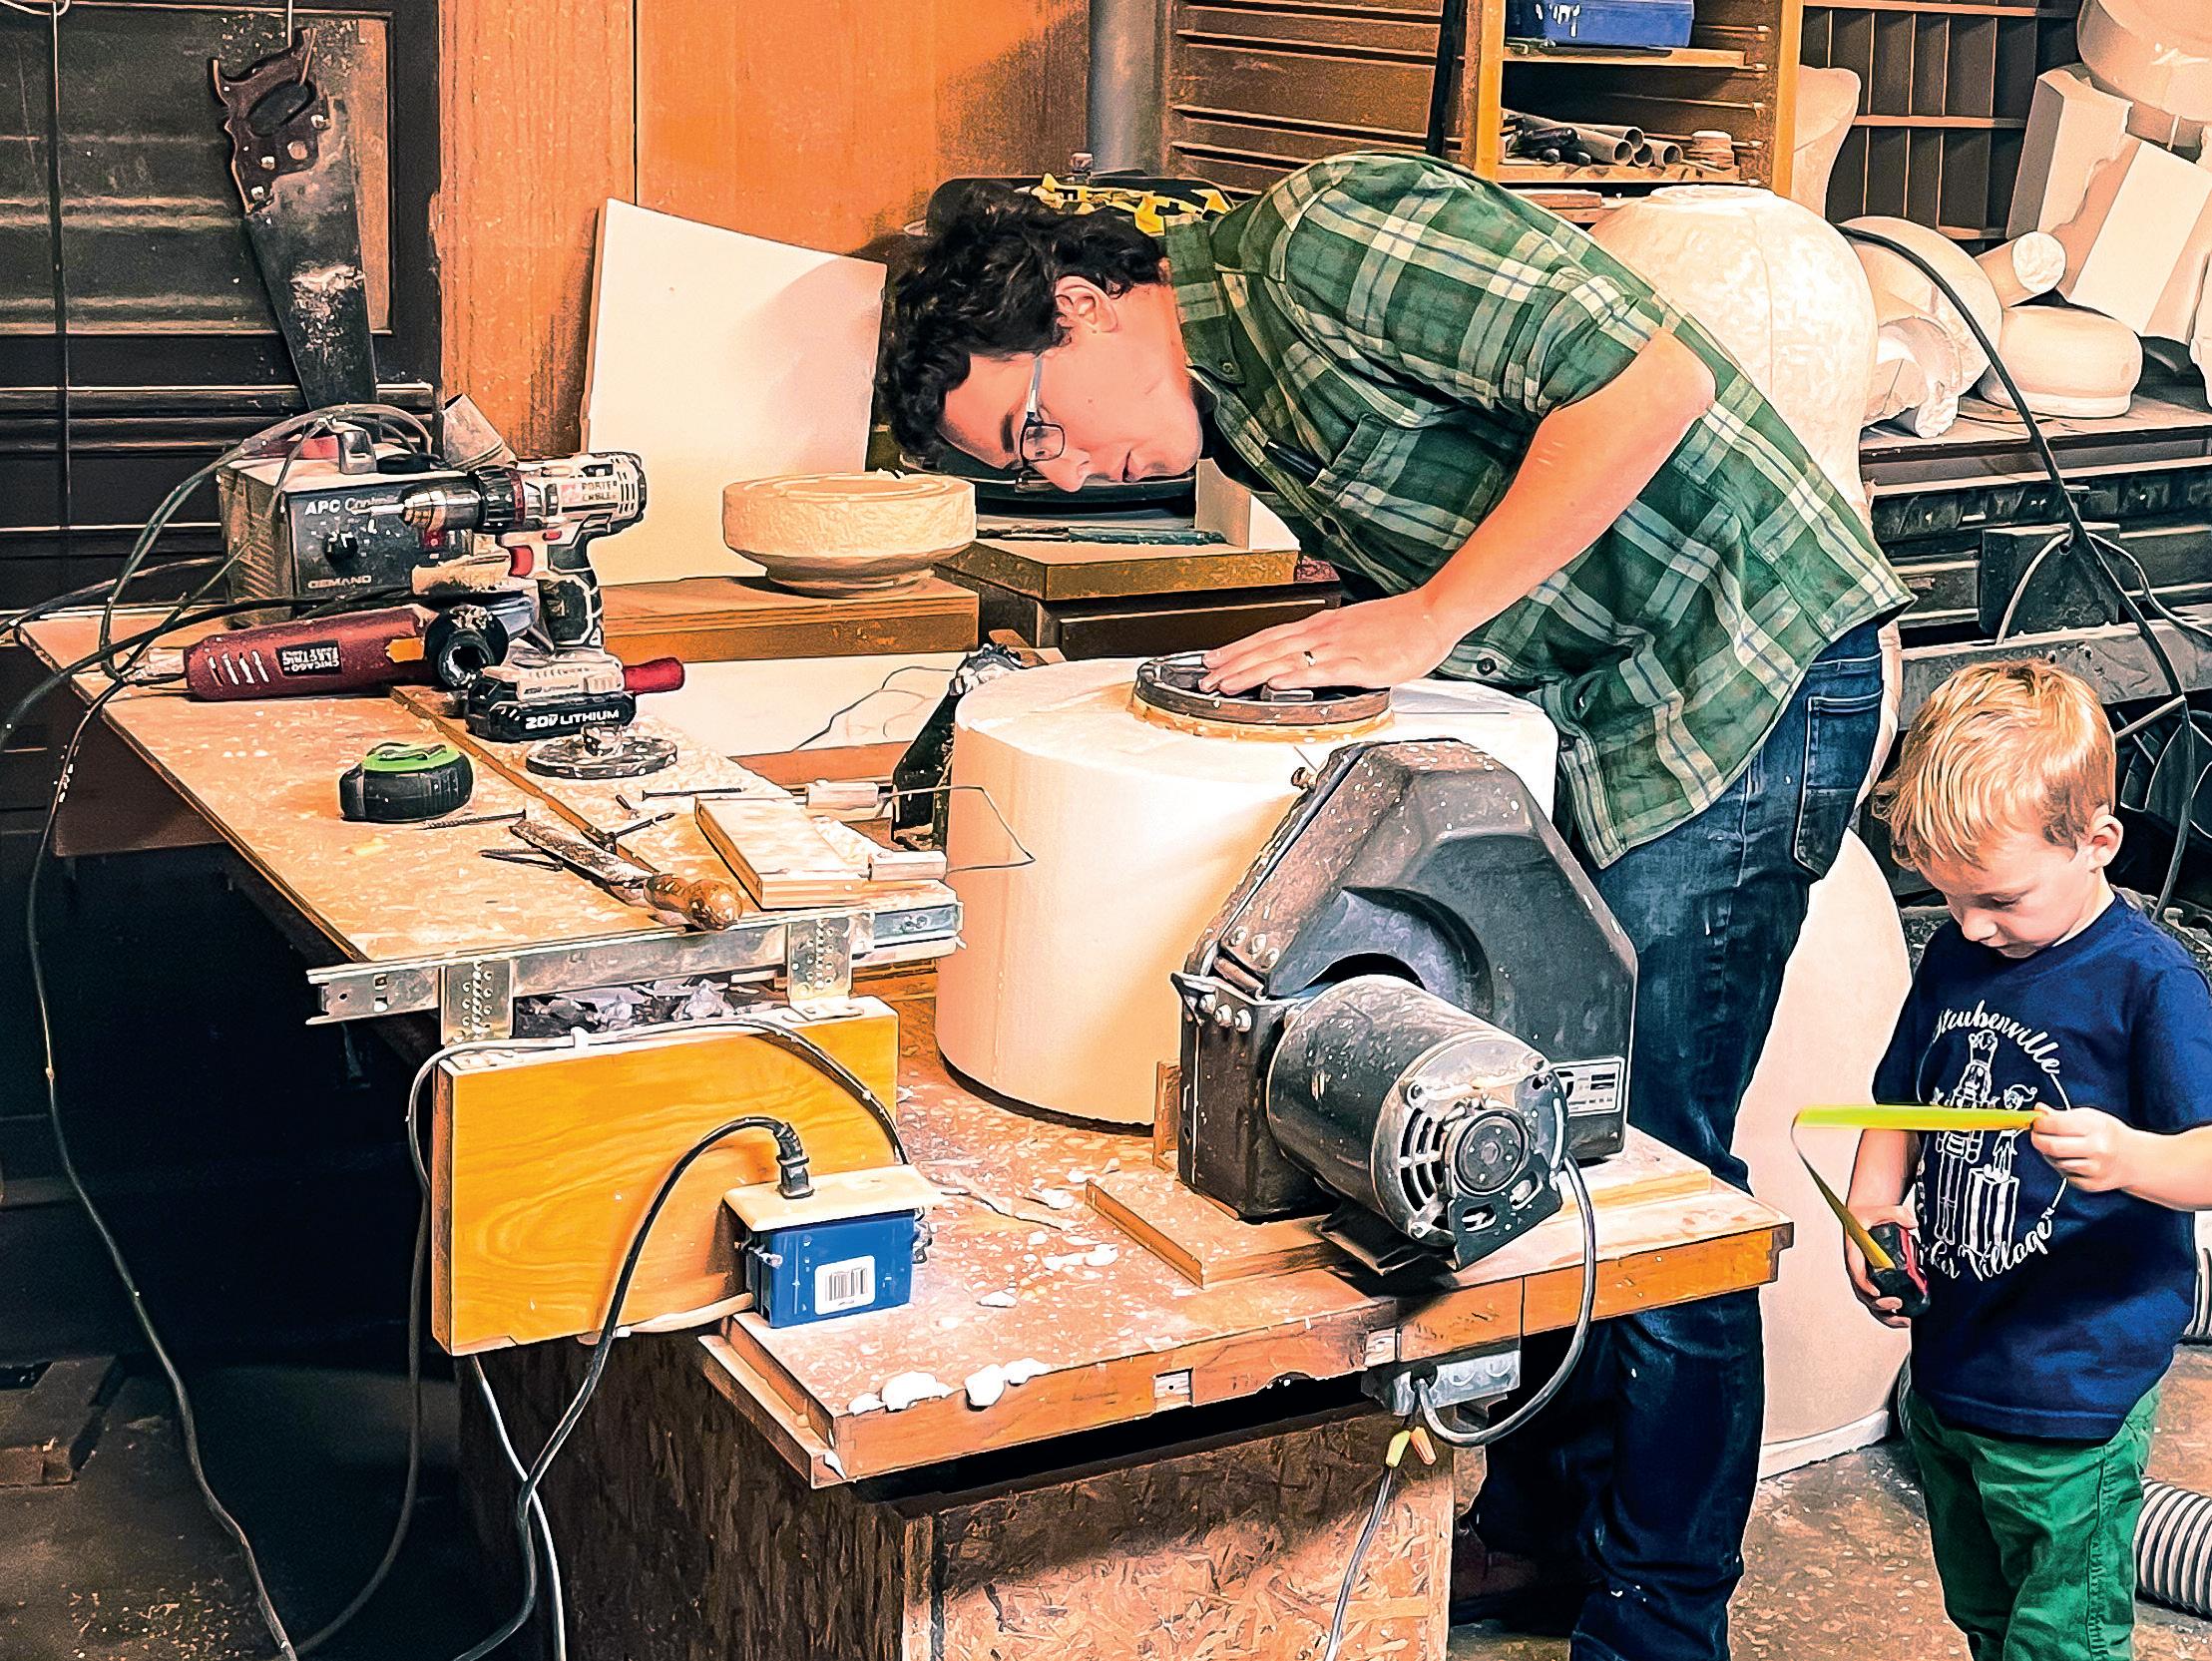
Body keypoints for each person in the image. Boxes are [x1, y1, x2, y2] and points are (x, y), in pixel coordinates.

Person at [882, 150, 1911, 1661]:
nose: (1071, 473)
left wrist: (1423, 620)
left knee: (1652, 1171)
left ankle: (1662, 1616)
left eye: (1038, 427)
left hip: (1739, 673)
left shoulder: (1324, 240)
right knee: (1537, 1124)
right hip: (1597, 707)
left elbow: (1652, 386)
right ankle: (1545, 1533)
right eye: (1028, 470)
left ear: (1084, 302)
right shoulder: (1234, 402)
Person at [1847, 659, 2212, 1661]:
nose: (1970, 924)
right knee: (1985, 1614)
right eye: (1948, 896)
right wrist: (1870, 1214)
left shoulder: (2149, 983)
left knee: (2062, 1639)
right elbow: (1897, 1103)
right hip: (1954, 1366)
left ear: (2097, 844)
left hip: (2076, 1385)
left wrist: (2131, 1156)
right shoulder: (1958, 954)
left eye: (1998, 898)